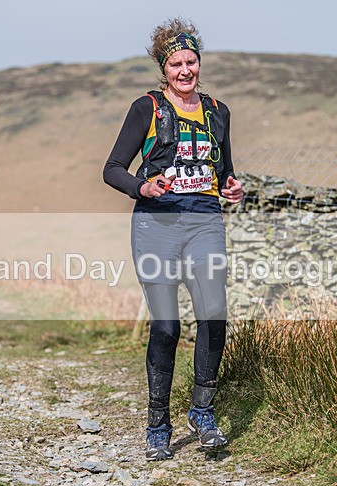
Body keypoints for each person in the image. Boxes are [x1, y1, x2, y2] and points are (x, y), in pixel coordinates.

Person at [103, 18, 243, 461]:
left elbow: (225, 174)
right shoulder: (146, 108)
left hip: (204, 221)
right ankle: (158, 423)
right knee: (167, 325)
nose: (185, 70)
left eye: (191, 61)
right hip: (156, 226)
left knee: (214, 314)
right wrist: (142, 187)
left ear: (200, 62)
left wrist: (233, 187)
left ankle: (202, 412)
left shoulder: (218, 111)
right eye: (176, 63)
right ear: (163, 69)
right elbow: (112, 169)